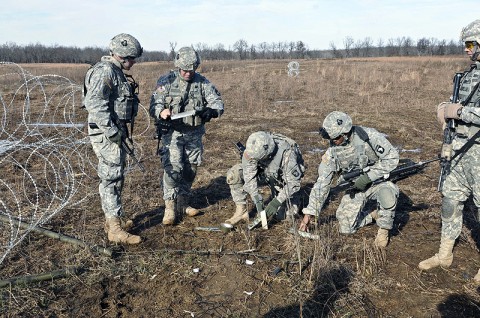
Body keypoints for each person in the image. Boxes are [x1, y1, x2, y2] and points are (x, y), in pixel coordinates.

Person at [419, 19, 480, 282]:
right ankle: (444, 254)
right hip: (459, 150)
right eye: (465, 45)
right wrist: (444, 108)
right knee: (450, 202)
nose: (466, 50)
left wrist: (461, 112)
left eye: (470, 44)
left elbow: (465, 110)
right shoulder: (467, 75)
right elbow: (456, 104)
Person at [299, 111, 399, 247]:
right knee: (345, 228)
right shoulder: (334, 150)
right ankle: (373, 214)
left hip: (379, 182)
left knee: (388, 194)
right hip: (356, 187)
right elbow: (323, 182)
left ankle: (384, 229)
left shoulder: (369, 136)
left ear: (345, 133)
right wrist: (310, 213)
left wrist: (369, 176)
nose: (332, 142)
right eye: (330, 138)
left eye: (335, 138)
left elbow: (392, 158)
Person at [149, 47, 224, 225]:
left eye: (191, 70)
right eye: (184, 70)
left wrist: (212, 111)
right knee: (173, 170)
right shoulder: (166, 81)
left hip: (194, 134)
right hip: (173, 134)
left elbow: (218, 103)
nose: (187, 73)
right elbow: (155, 104)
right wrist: (161, 112)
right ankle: (169, 207)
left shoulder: (203, 83)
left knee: (191, 169)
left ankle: (183, 203)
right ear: (178, 66)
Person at [83, 33, 143, 244]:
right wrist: (111, 131)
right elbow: (95, 105)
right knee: (111, 177)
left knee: (117, 176)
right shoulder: (106, 72)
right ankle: (114, 229)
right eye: (132, 58)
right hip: (107, 134)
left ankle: (113, 220)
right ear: (122, 56)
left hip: (115, 132)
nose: (134, 62)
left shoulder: (115, 71)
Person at [225, 131, 305, 227]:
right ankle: (241, 212)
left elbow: (293, 183)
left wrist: (276, 202)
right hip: (264, 174)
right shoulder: (252, 150)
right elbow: (249, 177)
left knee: (282, 216)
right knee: (234, 174)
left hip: (282, 181)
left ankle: (296, 200)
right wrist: (257, 200)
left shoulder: (287, 154)